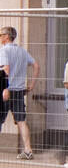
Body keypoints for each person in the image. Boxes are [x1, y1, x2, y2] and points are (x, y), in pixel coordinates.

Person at [0, 26, 40, 160]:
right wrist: (32, 84)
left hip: (6, 90)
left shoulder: (4, 51)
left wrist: (5, 87)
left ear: (6, 36)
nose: (0, 37)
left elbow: (6, 68)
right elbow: (36, 65)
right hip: (19, 90)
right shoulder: (22, 51)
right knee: (21, 120)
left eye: (1, 35)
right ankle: (28, 150)